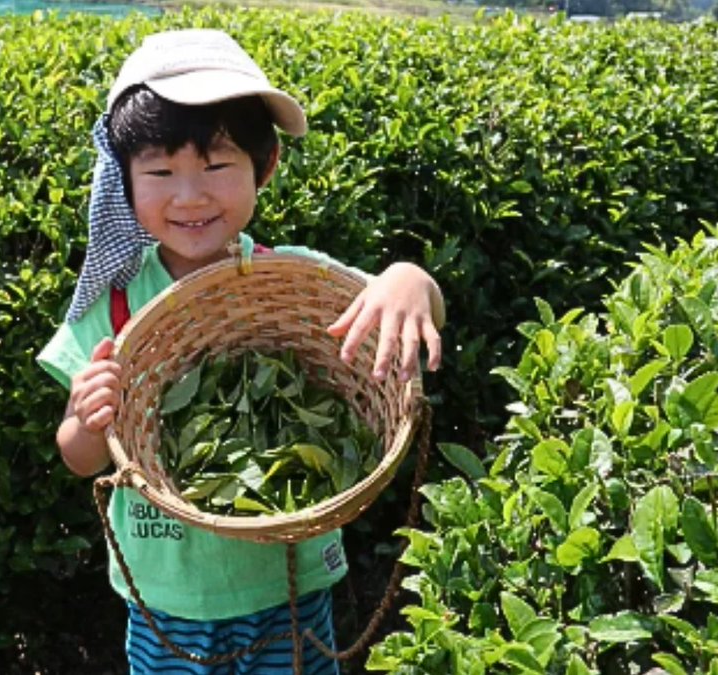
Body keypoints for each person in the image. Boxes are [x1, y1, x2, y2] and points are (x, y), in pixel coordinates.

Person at [36, 28, 445, 675]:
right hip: (165, 600)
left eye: (218, 166)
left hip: (288, 586)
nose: (190, 195)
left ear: (266, 165)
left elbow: (402, 303)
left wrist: (410, 281)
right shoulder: (111, 306)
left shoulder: (292, 281)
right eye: (162, 171)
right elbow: (80, 458)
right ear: (125, 181)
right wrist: (90, 419)